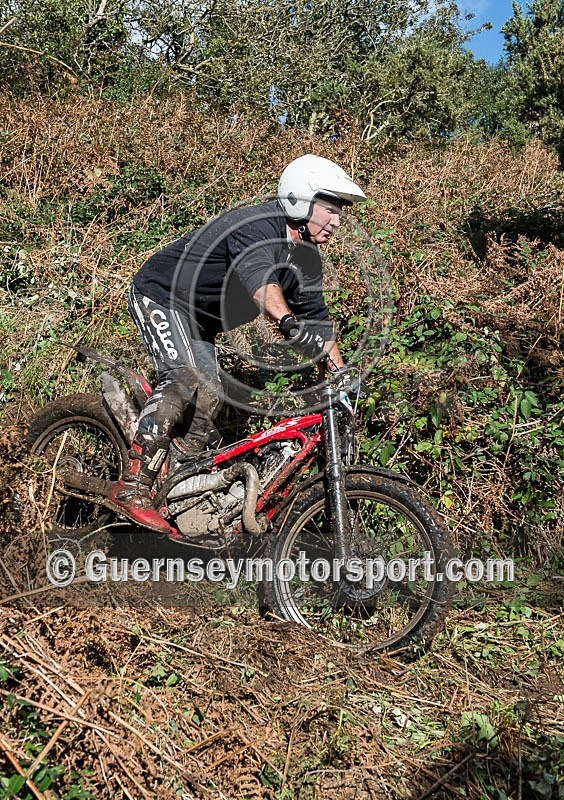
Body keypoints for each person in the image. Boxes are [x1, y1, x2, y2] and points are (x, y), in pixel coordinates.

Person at [108, 154, 366, 533]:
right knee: (182, 379)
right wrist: (288, 321)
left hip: (198, 320)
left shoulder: (307, 259)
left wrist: (341, 375)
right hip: (162, 295)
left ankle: (175, 478)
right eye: (330, 209)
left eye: (340, 212)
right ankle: (131, 486)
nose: (338, 221)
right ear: (300, 200)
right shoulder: (257, 227)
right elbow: (262, 284)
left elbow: (320, 324)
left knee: (210, 394)